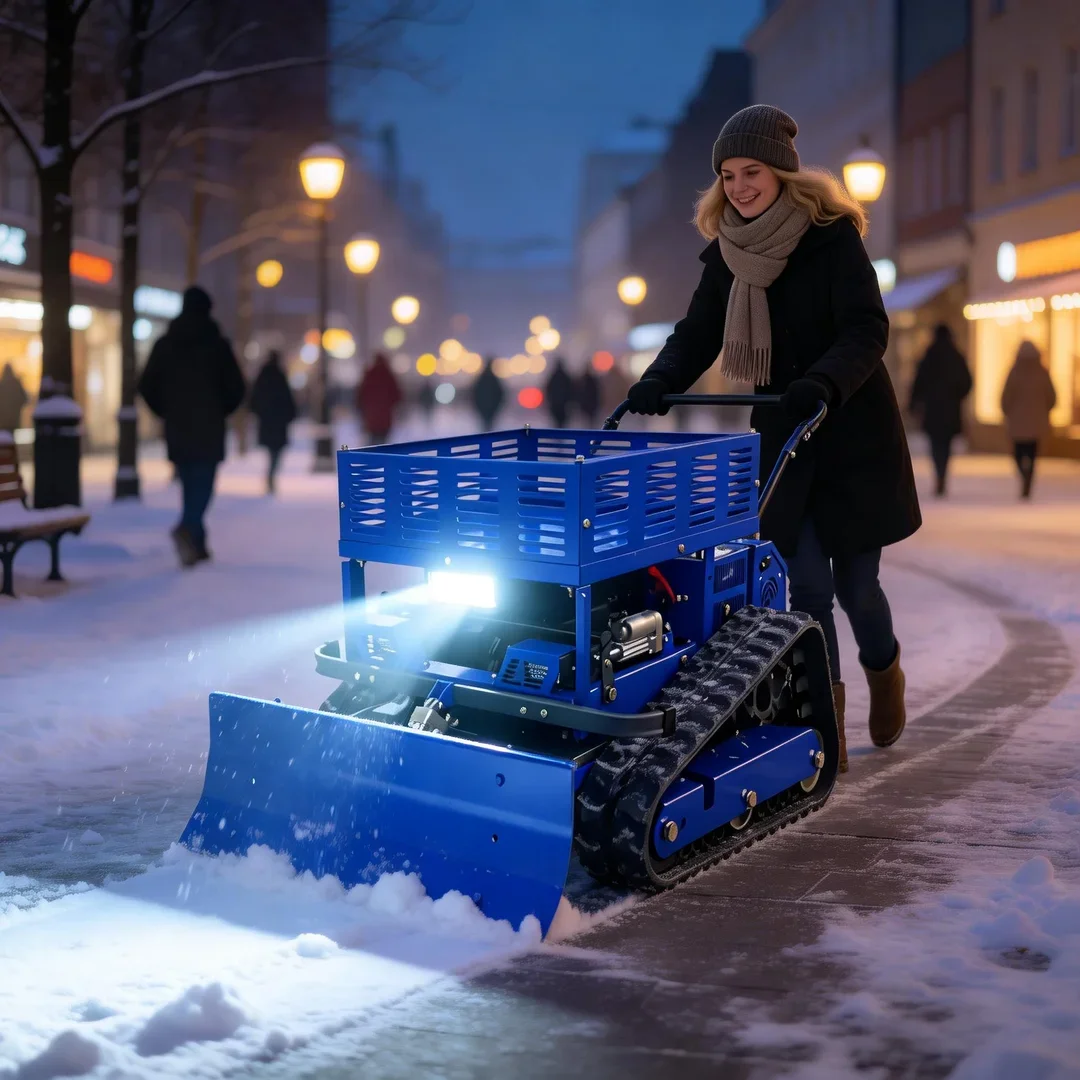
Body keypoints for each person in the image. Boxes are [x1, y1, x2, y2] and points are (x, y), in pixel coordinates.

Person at [624, 105, 921, 774]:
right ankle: (827, 724)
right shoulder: (727, 249)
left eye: (751, 172)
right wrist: (658, 379)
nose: (739, 187)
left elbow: (867, 331)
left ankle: (885, 667)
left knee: (857, 588)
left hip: (851, 433)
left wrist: (823, 381)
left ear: (782, 173)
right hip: (786, 440)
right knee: (806, 589)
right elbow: (697, 331)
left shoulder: (832, 238)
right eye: (728, 175)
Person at [138, 285, 245, 567]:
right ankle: (188, 529)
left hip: (178, 427)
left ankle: (196, 542)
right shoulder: (218, 345)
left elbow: (146, 385)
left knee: (189, 483)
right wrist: (222, 409)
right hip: (209, 427)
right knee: (204, 485)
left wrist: (166, 411)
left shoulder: (165, 344)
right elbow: (237, 388)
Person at [908, 323, 973, 496]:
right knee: (946, 443)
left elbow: (918, 382)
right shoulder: (956, 356)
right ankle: (943, 473)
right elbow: (967, 382)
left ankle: (939, 473)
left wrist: (914, 404)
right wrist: (957, 395)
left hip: (933, 409)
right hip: (951, 408)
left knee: (935, 443)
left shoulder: (929, 356)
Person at [1001, 339, 1056, 499]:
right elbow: (1051, 396)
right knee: (1031, 454)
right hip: (1037, 423)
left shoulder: (1014, 371)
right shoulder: (1042, 372)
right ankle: (1028, 478)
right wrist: (1044, 411)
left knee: (1018, 453)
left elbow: (1006, 396)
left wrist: (1007, 411)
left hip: (1017, 423)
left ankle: (1024, 476)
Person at [248, 349, 297, 495]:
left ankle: (270, 476)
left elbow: (254, 399)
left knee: (272, 450)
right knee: (276, 451)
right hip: (278, 421)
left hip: (267, 420)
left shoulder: (262, 376)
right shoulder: (280, 376)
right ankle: (271, 476)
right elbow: (288, 400)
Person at [355, 352, 402, 445]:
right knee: (382, 441)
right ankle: (379, 457)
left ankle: (371, 457)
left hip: (371, 416)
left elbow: (360, 396)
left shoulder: (369, 375)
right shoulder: (389, 375)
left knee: (373, 439)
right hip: (385, 417)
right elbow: (397, 396)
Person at [472, 356, 505, 431]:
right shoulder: (494, 379)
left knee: (485, 422)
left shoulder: (481, 378)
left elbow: (474, 392)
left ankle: (485, 435)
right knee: (489, 422)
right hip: (490, 407)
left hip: (484, 406)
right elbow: (500, 393)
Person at [544, 357, 574, 428]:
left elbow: (548, 389)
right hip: (564, 403)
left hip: (555, 403)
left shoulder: (553, 376)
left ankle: (558, 433)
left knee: (556, 420)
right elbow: (571, 390)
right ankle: (561, 432)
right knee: (562, 420)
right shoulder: (566, 376)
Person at [0, 363, 28, 436]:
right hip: (14, 419)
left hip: (2, 420)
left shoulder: (2, 385)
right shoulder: (16, 384)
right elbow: (25, 399)